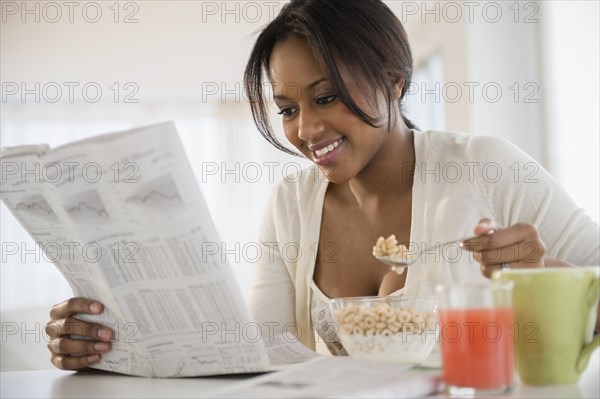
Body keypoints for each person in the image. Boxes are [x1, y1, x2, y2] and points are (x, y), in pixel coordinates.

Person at [46, 0, 599, 369]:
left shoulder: (483, 167)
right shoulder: (289, 205)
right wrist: (112, 339)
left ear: (393, 81)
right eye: (288, 108)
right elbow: (255, 361)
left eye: (327, 97)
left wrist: (548, 277)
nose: (306, 130)